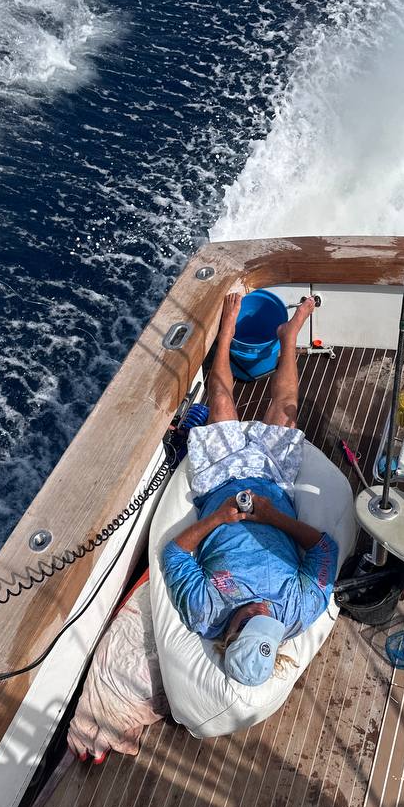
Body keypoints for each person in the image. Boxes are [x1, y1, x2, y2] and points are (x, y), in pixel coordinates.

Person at [160, 292, 339, 687]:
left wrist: (221, 516)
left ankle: (225, 335)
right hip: (273, 486)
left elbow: (174, 554)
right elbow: (326, 550)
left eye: (250, 620)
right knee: (286, 408)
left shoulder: (205, 613)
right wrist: (273, 516)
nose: (262, 610)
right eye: (268, 624)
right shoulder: (298, 611)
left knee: (221, 404)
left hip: (219, 487)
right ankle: (289, 335)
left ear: (230, 636)